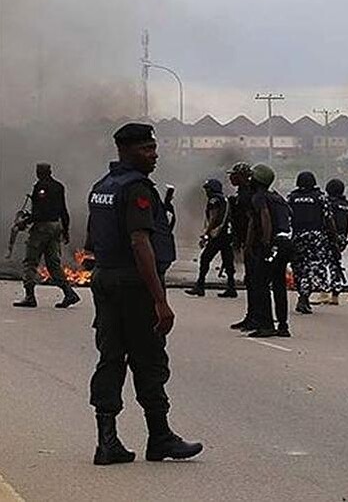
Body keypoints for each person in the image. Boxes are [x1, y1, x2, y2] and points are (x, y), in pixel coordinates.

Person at [85, 122, 202, 465]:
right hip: (134, 286)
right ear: (126, 150)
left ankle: (107, 442)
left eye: (153, 148)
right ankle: (160, 437)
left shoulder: (102, 187)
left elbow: (92, 241)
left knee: (110, 357)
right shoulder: (136, 188)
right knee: (149, 359)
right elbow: (140, 243)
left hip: (106, 280)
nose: (154, 155)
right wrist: (160, 300)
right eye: (146, 149)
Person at [13, 163, 80, 309]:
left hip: (42, 228)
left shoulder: (41, 187)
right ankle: (69, 293)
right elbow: (63, 210)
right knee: (53, 264)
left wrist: (25, 221)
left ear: (39, 173)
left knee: (30, 261)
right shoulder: (59, 186)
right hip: (55, 227)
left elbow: (41, 212)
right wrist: (65, 230)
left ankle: (30, 296)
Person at [245, 164, 292, 338]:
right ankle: (283, 326)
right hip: (286, 242)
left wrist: (264, 243)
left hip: (273, 244)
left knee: (261, 284)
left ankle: (266, 325)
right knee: (279, 284)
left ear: (257, 180)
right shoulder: (278, 197)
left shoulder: (259, 197)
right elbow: (289, 216)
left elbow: (264, 217)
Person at [287, 171, 333, 314]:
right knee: (313, 268)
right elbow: (329, 219)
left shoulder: (292, 197)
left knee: (299, 268)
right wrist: (334, 239)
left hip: (297, 237)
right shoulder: (320, 197)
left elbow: (286, 218)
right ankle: (304, 297)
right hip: (316, 238)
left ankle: (303, 295)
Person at [186, 179, 236, 298]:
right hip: (227, 234)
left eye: (207, 189)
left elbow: (214, 217)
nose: (206, 192)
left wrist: (206, 234)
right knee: (228, 261)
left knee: (205, 258)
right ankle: (231, 287)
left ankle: (200, 286)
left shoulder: (214, 200)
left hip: (218, 235)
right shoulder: (225, 199)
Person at [226, 162, 258, 331]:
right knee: (250, 281)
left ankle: (255, 318)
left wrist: (247, 244)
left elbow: (251, 221)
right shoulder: (241, 194)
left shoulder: (248, 195)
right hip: (246, 241)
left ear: (243, 177)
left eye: (234, 175)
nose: (231, 177)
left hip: (252, 244)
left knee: (254, 281)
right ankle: (251, 316)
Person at [325, 178, 348, 305]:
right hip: (341, 238)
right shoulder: (346, 204)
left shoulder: (329, 203)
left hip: (329, 236)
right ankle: (335, 295)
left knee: (322, 264)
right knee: (335, 265)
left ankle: (323, 293)